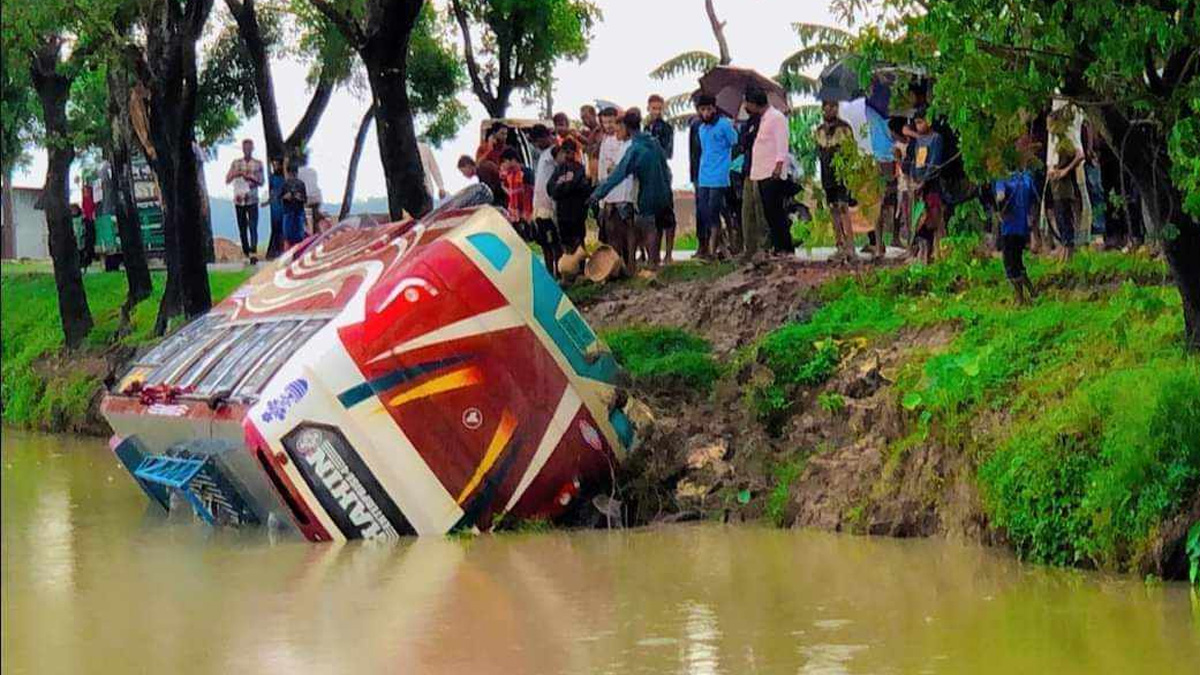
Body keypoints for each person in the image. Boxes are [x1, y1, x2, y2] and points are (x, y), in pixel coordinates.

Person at [590, 109, 674, 271]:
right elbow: (665, 167)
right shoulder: (653, 141)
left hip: (647, 192)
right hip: (664, 190)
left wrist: (597, 194)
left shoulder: (634, 149)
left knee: (645, 225)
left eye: (620, 128)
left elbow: (618, 175)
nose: (617, 131)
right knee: (654, 226)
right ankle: (653, 262)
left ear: (627, 128)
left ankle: (651, 265)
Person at [744, 88, 793, 258]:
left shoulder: (776, 118)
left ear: (754, 103)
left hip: (772, 172)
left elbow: (782, 144)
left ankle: (785, 247)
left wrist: (779, 166)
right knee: (769, 213)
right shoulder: (763, 119)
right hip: (761, 172)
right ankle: (778, 246)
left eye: (747, 103)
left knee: (776, 212)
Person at [694, 93, 738, 261]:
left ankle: (713, 251)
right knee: (705, 213)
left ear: (714, 108)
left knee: (714, 210)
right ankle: (722, 249)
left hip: (719, 175)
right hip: (704, 175)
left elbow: (734, 142)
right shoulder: (701, 129)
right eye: (702, 110)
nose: (706, 113)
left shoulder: (724, 125)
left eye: (708, 109)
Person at [814, 100, 857, 263]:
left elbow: (850, 151)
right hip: (827, 174)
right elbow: (819, 152)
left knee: (843, 207)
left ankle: (850, 246)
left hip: (842, 174)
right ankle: (839, 245)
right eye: (826, 107)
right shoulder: (819, 131)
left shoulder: (844, 128)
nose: (829, 110)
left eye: (832, 107)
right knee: (833, 209)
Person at [994, 167, 1039, 304]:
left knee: (1010, 264)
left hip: (1009, 227)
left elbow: (1000, 196)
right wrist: (1034, 230)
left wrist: (999, 208)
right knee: (1018, 261)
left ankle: (1020, 297)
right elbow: (1034, 202)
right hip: (1023, 227)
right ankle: (1032, 291)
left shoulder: (1002, 178)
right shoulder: (1026, 178)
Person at [596, 106, 634, 254]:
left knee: (625, 228)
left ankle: (628, 261)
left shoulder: (624, 140)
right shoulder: (605, 141)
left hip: (623, 193)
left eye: (611, 122)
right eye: (605, 122)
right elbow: (601, 169)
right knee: (610, 231)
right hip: (608, 194)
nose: (608, 126)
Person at [645, 94, 678, 264]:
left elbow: (668, 152)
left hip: (662, 173)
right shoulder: (645, 129)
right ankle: (654, 254)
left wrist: (655, 146)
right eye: (653, 108)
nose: (656, 112)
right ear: (648, 108)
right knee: (653, 217)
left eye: (659, 108)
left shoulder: (666, 128)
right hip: (648, 175)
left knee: (667, 214)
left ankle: (669, 254)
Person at [910, 110, 945, 264]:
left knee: (933, 218)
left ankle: (936, 252)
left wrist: (924, 181)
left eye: (921, 122)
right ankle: (924, 252)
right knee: (920, 219)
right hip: (919, 185)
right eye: (916, 123)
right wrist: (915, 181)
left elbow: (934, 163)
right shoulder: (919, 141)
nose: (918, 126)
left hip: (932, 185)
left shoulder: (936, 138)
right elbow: (916, 162)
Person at [529, 125, 562, 277]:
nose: (536, 145)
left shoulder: (553, 151)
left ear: (544, 138)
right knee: (545, 244)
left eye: (537, 142)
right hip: (540, 205)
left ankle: (559, 271)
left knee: (554, 243)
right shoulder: (543, 155)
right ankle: (550, 274)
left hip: (550, 205)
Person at [549, 139, 591, 255]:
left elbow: (578, 186)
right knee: (566, 244)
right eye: (565, 152)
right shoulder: (558, 169)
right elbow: (551, 189)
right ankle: (569, 268)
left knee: (578, 242)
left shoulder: (580, 169)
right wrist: (563, 186)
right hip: (562, 212)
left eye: (570, 152)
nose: (568, 155)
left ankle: (581, 268)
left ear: (574, 153)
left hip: (577, 212)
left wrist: (564, 185)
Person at [226, 138, 264, 263]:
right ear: (242, 149)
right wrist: (236, 174)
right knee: (242, 228)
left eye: (249, 148)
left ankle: (253, 252)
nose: (247, 150)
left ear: (252, 149)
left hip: (252, 199)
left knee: (253, 227)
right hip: (239, 199)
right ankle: (246, 252)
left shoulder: (258, 163)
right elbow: (227, 179)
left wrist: (251, 178)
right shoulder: (236, 163)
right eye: (245, 148)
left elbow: (261, 181)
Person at [1048, 139, 1084, 260]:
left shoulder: (1065, 140)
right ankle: (1064, 248)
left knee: (1065, 217)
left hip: (1065, 187)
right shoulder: (1052, 140)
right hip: (1055, 185)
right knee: (1059, 218)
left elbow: (1080, 155)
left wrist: (1066, 170)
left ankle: (1069, 251)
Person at [500, 148, 533, 234]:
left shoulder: (525, 173)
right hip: (515, 217)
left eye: (504, 161)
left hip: (526, 216)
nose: (503, 164)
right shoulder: (510, 175)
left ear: (513, 160)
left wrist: (527, 216)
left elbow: (528, 194)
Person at [281, 163, 308, 249]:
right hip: (288, 212)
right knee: (287, 236)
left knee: (299, 236)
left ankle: (299, 254)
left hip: (298, 212)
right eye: (291, 174)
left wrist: (299, 197)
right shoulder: (285, 184)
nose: (292, 176)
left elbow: (305, 199)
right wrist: (286, 197)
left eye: (294, 174)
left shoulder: (301, 184)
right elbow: (280, 198)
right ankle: (288, 254)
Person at [295, 153, 322, 234]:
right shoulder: (313, 171)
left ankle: (309, 234)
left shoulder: (298, 173)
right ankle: (318, 233)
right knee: (315, 218)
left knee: (306, 220)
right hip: (316, 196)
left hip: (307, 198)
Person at [265, 157, 285, 259]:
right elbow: (271, 191)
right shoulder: (272, 178)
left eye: (277, 165)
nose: (275, 167)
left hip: (282, 204)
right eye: (274, 165)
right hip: (275, 205)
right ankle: (276, 250)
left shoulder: (284, 178)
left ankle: (281, 249)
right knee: (276, 228)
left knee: (282, 227)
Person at [80, 184, 97, 267]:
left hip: (89, 220)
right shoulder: (86, 200)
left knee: (89, 239)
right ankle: (88, 257)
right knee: (89, 239)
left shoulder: (88, 200)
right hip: (88, 220)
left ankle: (88, 257)